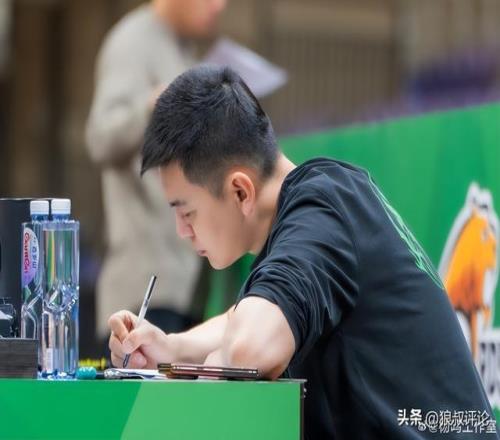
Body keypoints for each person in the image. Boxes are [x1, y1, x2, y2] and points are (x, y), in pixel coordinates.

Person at [108, 65, 497, 439]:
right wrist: (172, 348)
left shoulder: (322, 212)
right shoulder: (321, 204)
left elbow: (252, 347)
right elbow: (246, 318)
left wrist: (210, 365)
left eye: (186, 212)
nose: (182, 231)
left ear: (240, 191)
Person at [85, 0, 227, 340]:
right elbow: (101, 137)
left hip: (187, 283)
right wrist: (155, 104)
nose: (219, 6)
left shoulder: (182, 47)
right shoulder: (132, 42)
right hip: (146, 285)